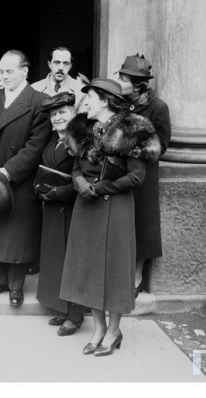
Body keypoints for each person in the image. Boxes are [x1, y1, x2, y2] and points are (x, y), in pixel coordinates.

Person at [61, 78, 159, 357]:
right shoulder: (82, 129)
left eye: (89, 97)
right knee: (90, 268)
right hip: (87, 207)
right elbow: (76, 167)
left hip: (116, 207)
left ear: (104, 100)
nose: (85, 102)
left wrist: (101, 187)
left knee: (114, 270)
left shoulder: (133, 130)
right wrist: (79, 181)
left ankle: (115, 331)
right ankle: (99, 328)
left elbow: (136, 177)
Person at [0, 50, 51, 307]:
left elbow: (35, 145)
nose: (3, 76)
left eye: (9, 71)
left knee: (18, 235)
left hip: (19, 179)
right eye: (1, 71)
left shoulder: (39, 101)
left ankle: (16, 286)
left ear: (25, 71)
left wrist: (9, 171)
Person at [114, 53, 171, 295]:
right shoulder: (118, 103)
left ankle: (137, 276)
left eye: (123, 79)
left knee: (142, 223)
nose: (119, 83)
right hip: (120, 171)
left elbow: (162, 145)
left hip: (144, 174)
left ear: (138, 84)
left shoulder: (158, 107)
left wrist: (132, 149)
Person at [33, 92, 85, 336]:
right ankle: (63, 308)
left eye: (62, 112)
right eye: (53, 114)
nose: (57, 118)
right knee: (56, 259)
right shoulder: (52, 142)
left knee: (71, 262)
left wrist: (58, 193)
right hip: (53, 209)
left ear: (73, 114)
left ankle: (75, 316)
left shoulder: (81, 141)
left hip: (74, 209)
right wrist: (40, 190)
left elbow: (83, 178)